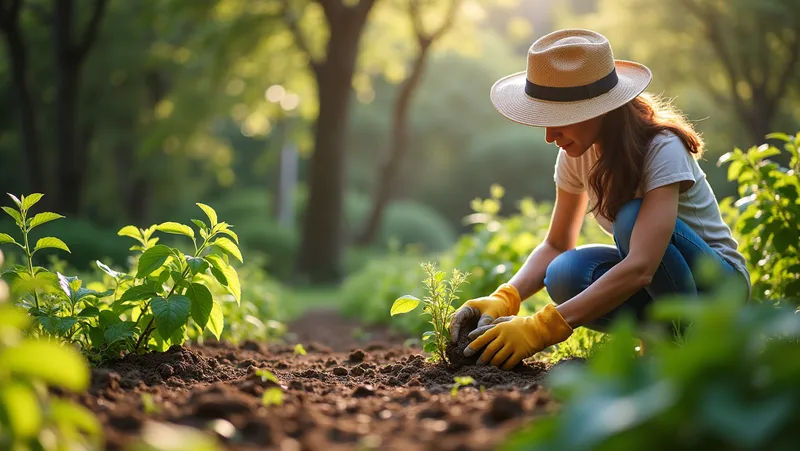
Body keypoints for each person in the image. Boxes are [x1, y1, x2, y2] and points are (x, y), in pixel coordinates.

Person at [449, 28, 751, 370]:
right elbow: (556, 244)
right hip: (659, 279)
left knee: (631, 217)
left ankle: (686, 345)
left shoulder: (662, 147)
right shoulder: (576, 154)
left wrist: (542, 329)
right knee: (564, 272)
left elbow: (641, 266)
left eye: (559, 120)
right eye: (544, 121)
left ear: (601, 108)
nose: (550, 136)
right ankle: (662, 338)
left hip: (718, 286)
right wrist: (507, 297)